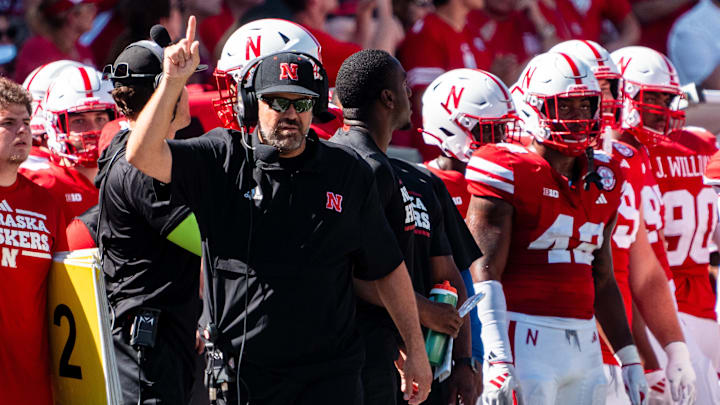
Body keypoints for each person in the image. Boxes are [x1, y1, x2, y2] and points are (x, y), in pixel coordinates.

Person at [125, 16, 432, 404]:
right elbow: (141, 154)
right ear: (253, 102)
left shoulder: (348, 171)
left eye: (301, 102)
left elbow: (387, 267)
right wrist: (171, 81)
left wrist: (416, 349)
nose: (290, 113)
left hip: (330, 378)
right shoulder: (221, 156)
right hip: (245, 378)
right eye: (278, 100)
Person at [466, 51, 648, 404]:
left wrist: (629, 358)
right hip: (523, 339)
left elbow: (603, 277)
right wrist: (497, 355)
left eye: (585, 106)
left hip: (587, 346)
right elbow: (484, 272)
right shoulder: (506, 168)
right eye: (565, 107)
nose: (579, 118)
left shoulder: (607, 177)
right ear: (532, 108)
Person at [552, 39, 697, 405]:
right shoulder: (523, 165)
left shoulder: (623, 161)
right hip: (547, 342)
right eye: (587, 90)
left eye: (605, 88)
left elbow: (641, 271)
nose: (598, 101)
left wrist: (670, 351)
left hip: (614, 351)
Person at [98, 31, 204, 404]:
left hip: (158, 336)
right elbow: (206, 240)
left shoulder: (122, 148)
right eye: (183, 85)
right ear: (166, 94)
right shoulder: (141, 168)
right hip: (151, 349)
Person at [611, 45, 720, 400]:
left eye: (666, 100)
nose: (662, 113)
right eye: (652, 99)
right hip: (660, 306)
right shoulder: (696, 145)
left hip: (683, 301)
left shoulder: (632, 155)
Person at [330, 49, 423, 404]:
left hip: (345, 351)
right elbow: (362, 272)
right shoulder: (372, 168)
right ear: (387, 98)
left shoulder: (337, 154)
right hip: (366, 353)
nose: (410, 94)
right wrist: (421, 321)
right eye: (403, 86)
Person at [0, 76, 68, 405]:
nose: (22, 130)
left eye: (26, 121)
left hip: (36, 387)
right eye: (8, 123)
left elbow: (65, 295)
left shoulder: (47, 205)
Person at [19, 65, 116, 226]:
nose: (93, 131)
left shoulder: (123, 174)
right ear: (55, 125)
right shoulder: (43, 182)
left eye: (100, 118)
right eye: (79, 121)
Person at [396, 0, 489, 159]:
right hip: (441, 154)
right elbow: (426, 102)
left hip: (472, 144)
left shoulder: (471, 30)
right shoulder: (427, 31)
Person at [420, 68, 518, 218]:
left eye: (502, 126)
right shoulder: (422, 184)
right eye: (487, 128)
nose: (500, 137)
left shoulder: (508, 176)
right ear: (449, 128)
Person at [14, 0, 96, 81]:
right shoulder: (38, 47)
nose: (95, 11)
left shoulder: (83, 49)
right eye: (89, 8)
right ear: (73, 16)